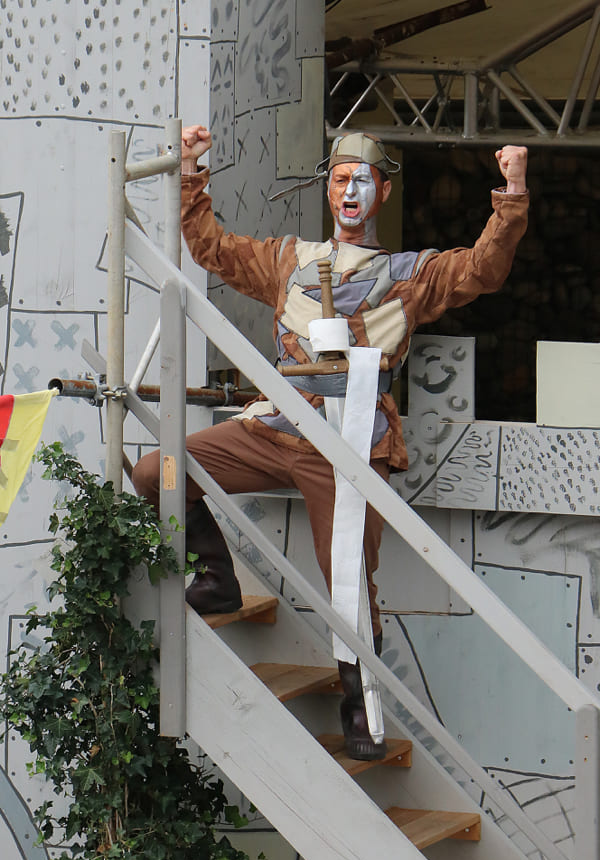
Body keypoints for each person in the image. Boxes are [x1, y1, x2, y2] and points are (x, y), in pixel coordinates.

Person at [132, 127, 528, 760]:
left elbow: (483, 270)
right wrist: (189, 172)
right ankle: (215, 577)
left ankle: (360, 711)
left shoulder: (409, 276)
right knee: (159, 473)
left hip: (350, 443)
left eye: (362, 180)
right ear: (327, 189)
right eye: (340, 179)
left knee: (348, 578)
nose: (350, 191)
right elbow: (211, 248)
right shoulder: (288, 259)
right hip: (276, 427)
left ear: (384, 192)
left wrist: (512, 193)